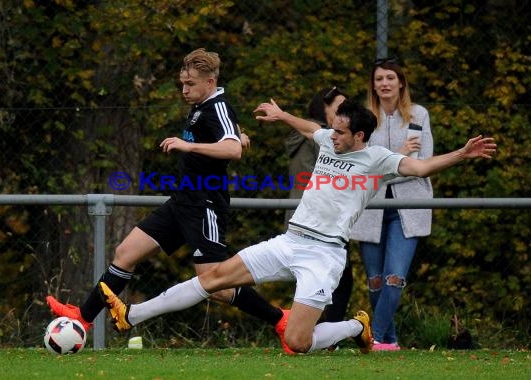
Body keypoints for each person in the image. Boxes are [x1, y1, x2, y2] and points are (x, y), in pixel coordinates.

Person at [97, 99, 496, 355]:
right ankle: (132, 315)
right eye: (332, 129)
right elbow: (309, 128)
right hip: (290, 241)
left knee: (297, 343)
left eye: (340, 132)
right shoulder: (330, 140)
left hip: (324, 255)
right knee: (214, 278)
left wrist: (461, 154)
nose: (331, 136)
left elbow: (422, 167)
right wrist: (281, 115)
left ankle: (356, 326)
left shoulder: (378, 159)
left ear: (359, 135)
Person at [46, 48, 289, 349]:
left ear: (210, 82)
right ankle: (83, 317)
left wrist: (198, 145)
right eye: (182, 83)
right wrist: (237, 134)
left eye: (191, 84)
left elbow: (232, 150)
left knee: (215, 284)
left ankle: (280, 319)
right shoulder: (204, 105)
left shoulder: (217, 106)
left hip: (205, 205)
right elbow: (227, 137)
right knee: (126, 253)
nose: (184, 90)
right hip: (181, 202)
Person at [350, 57, 433, 351]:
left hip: (407, 209)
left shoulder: (418, 116)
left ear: (401, 83)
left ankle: (375, 339)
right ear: (373, 85)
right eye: (379, 79)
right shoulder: (362, 118)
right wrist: (398, 157)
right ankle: (390, 341)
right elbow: (361, 169)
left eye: (390, 78)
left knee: (394, 277)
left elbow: (421, 164)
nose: (384, 83)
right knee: (374, 281)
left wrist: (383, 167)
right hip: (369, 209)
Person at [284, 87, 353, 327]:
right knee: (330, 281)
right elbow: (307, 180)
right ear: (322, 108)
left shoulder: (324, 136)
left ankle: (321, 332)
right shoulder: (314, 137)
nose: (345, 113)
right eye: (339, 107)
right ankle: (319, 332)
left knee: (336, 279)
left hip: (322, 220)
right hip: (313, 221)